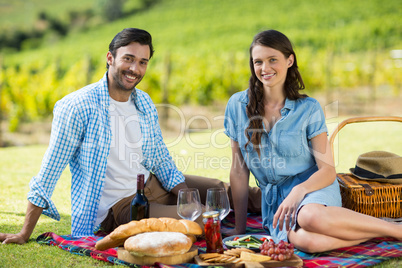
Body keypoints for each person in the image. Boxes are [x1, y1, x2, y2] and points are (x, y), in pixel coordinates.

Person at [0, 28, 261, 244]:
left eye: (142, 62)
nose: (134, 68)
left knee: (223, 192)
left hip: (151, 184)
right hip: (120, 208)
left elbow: (159, 158)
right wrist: (24, 233)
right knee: (200, 222)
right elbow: (49, 172)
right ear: (110, 58)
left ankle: (296, 209)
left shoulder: (144, 102)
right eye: (128, 59)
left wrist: (187, 195)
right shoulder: (77, 107)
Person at [223, 29, 402, 253]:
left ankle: (397, 232)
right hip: (278, 202)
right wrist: (240, 228)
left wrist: (299, 191)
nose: (265, 68)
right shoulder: (237, 105)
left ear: (289, 60)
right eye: (258, 62)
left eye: (272, 60)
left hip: (315, 187)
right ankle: (381, 230)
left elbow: (327, 170)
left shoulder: (309, 108)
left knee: (309, 216)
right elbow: (239, 170)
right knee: (308, 242)